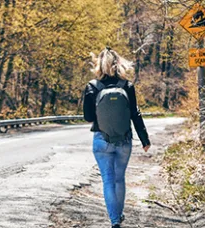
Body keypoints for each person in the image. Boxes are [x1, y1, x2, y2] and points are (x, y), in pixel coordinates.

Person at [83, 47, 151, 228]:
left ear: (99, 65)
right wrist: (145, 140)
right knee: (119, 178)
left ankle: (115, 221)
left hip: (101, 139)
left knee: (108, 179)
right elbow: (135, 114)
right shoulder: (127, 86)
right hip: (124, 139)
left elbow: (88, 117)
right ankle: (118, 215)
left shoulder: (92, 86)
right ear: (119, 64)